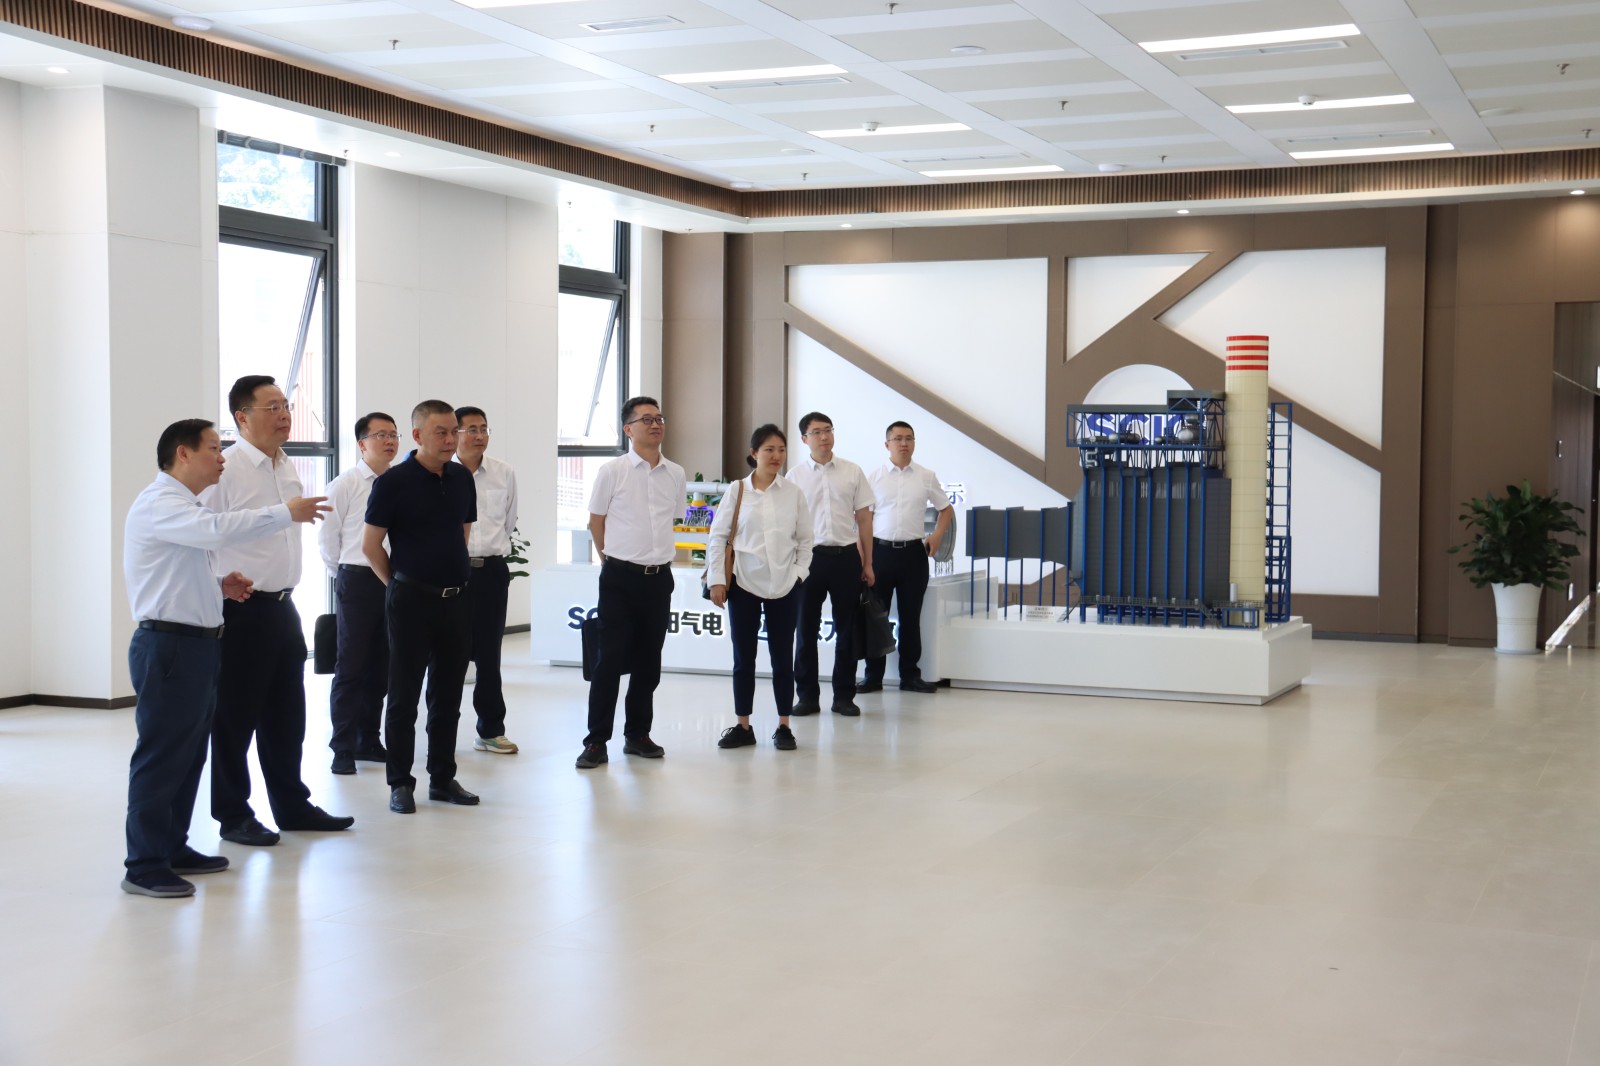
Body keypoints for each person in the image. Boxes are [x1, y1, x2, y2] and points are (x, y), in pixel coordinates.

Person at [121, 419, 327, 897]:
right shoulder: (160, 503)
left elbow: (173, 573)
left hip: (196, 644)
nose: (221, 458)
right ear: (183, 453)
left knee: (190, 754)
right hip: (170, 647)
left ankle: (173, 847)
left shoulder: (183, 506)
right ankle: (144, 864)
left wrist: (218, 585)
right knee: (162, 757)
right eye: (213, 449)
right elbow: (215, 530)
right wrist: (284, 513)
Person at [204, 376, 351, 846]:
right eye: (272, 407)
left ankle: (292, 805)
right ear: (241, 417)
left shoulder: (285, 465)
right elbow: (206, 533)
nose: (284, 414)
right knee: (235, 717)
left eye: (285, 405)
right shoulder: (225, 469)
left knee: (287, 714)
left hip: (285, 606)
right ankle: (233, 814)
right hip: (241, 608)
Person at [363, 399, 481, 814]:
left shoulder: (462, 477)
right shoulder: (393, 482)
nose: (451, 439)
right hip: (411, 600)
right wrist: (398, 586)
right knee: (403, 696)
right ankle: (400, 782)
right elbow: (371, 546)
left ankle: (442, 778)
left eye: (454, 432)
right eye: (441, 432)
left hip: (456, 599)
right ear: (417, 435)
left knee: (447, 695)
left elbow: (462, 535)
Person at [576, 396, 685, 770]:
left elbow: (673, 517)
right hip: (620, 578)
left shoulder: (675, 473)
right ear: (628, 429)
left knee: (648, 662)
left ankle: (637, 734)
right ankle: (596, 741)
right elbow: (596, 520)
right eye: (646, 419)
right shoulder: (613, 471)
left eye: (659, 418)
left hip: (659, 579)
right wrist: (609, 558)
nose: (655, 424)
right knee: (608, 661)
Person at [707, 424, 814, 751]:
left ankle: (784, 726)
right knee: (744, 658)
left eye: (781, 449)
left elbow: (806, 541)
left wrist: (798, 575)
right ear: (754, 454)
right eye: (769, 449)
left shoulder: (793, 493)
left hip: (784, 584)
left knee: (782, 659)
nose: (776, 456)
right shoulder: (737, 490)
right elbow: (718, 537)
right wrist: (717, 580)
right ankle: (743, 726)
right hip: (743, 583)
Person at [318, 412, 399, 775]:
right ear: (362, 443)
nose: (389, 441)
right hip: (357, 579)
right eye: (381, 435)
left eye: (393, 435)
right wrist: (345, 575)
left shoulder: (400, 482)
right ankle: (343, 746)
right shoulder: (346, 484)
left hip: (393, 579)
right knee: (350, 666)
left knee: (382, 666)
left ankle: (369, 739)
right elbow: (327, 539)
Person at [787, 412, 875, 718]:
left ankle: (844, 696)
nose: (824, 437)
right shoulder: (795, 476)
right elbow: (788, 523)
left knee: (847, 630)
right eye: (816, 432)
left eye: (828, 430)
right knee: (805, 630)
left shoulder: (852, 471)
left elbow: (864, 520)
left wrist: (868, 562)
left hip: (846, 557)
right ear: (804, 439)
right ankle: (807, 697)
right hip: (809, 559)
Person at [862, 421, 952, 694]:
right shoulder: (874, 477)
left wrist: (937, 535)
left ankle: (910, 676)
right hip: (880, 553)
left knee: (911, 618)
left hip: (914, 554)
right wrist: (865, 559)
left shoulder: (926, 476)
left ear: (914, 443)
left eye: (909, 438)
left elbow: (945, 509)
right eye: (898, 438)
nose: (904, 443)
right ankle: (873, 677)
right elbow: (864, 519)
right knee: (876, 617)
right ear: (887, 444)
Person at [454, 405, 520, 756]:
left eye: (484, 429)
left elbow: (508, 521)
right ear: (454, 433)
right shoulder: (441, 473)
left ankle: (491, 730)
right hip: (451, 573)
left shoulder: (503, 472)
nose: (480, 436)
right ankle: (441, 732)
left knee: (490, 655)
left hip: (491, 571)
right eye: (472, 429)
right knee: (447, 655)